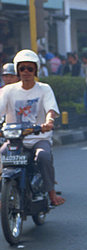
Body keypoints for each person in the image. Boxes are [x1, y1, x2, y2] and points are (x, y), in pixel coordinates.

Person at [0, 49, 65, 206]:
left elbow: (51, 109)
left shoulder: (44, 89)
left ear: (36, 70)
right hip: (15, 139)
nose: (26, 72)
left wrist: (49, 122)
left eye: (30, 68)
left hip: (38, 138)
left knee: (43, 157)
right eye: (22, 68)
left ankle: (51, 193)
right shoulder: (8, 90)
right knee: (1, 155)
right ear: (17, 70)